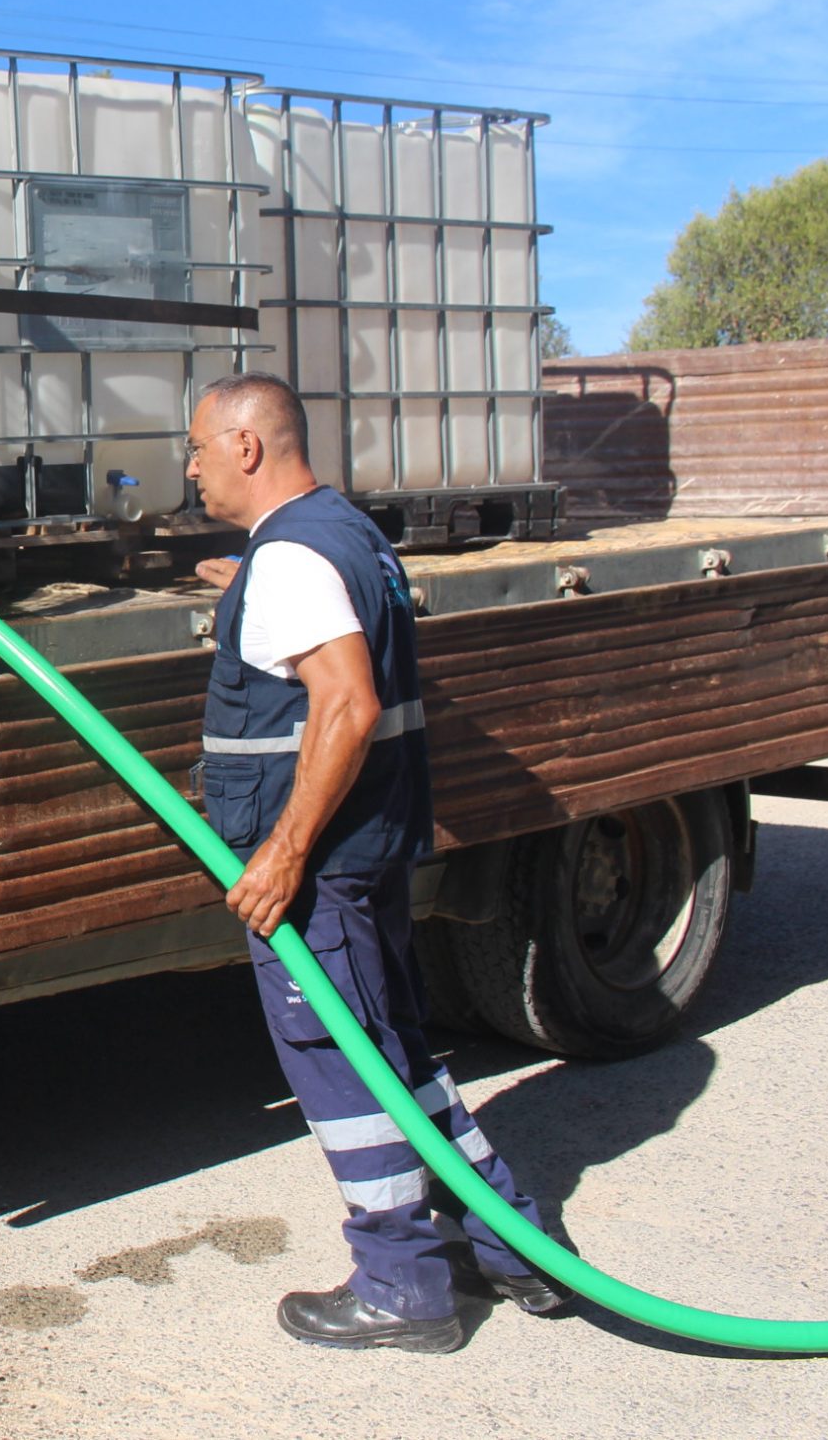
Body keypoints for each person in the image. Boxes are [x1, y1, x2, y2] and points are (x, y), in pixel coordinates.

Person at [183, 372, 562, 1353]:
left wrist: (281, 854)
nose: (191, 469)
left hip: (320, 868)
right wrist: (250, 591)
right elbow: (332, 623)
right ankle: (514, 1242)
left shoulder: (293, 561)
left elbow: (346, 703)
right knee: (393, 1051)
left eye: (198, 448)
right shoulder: (346, 535)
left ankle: (402, 1283)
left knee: (343, 1061)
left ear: (246, 446)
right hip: (371, 846)